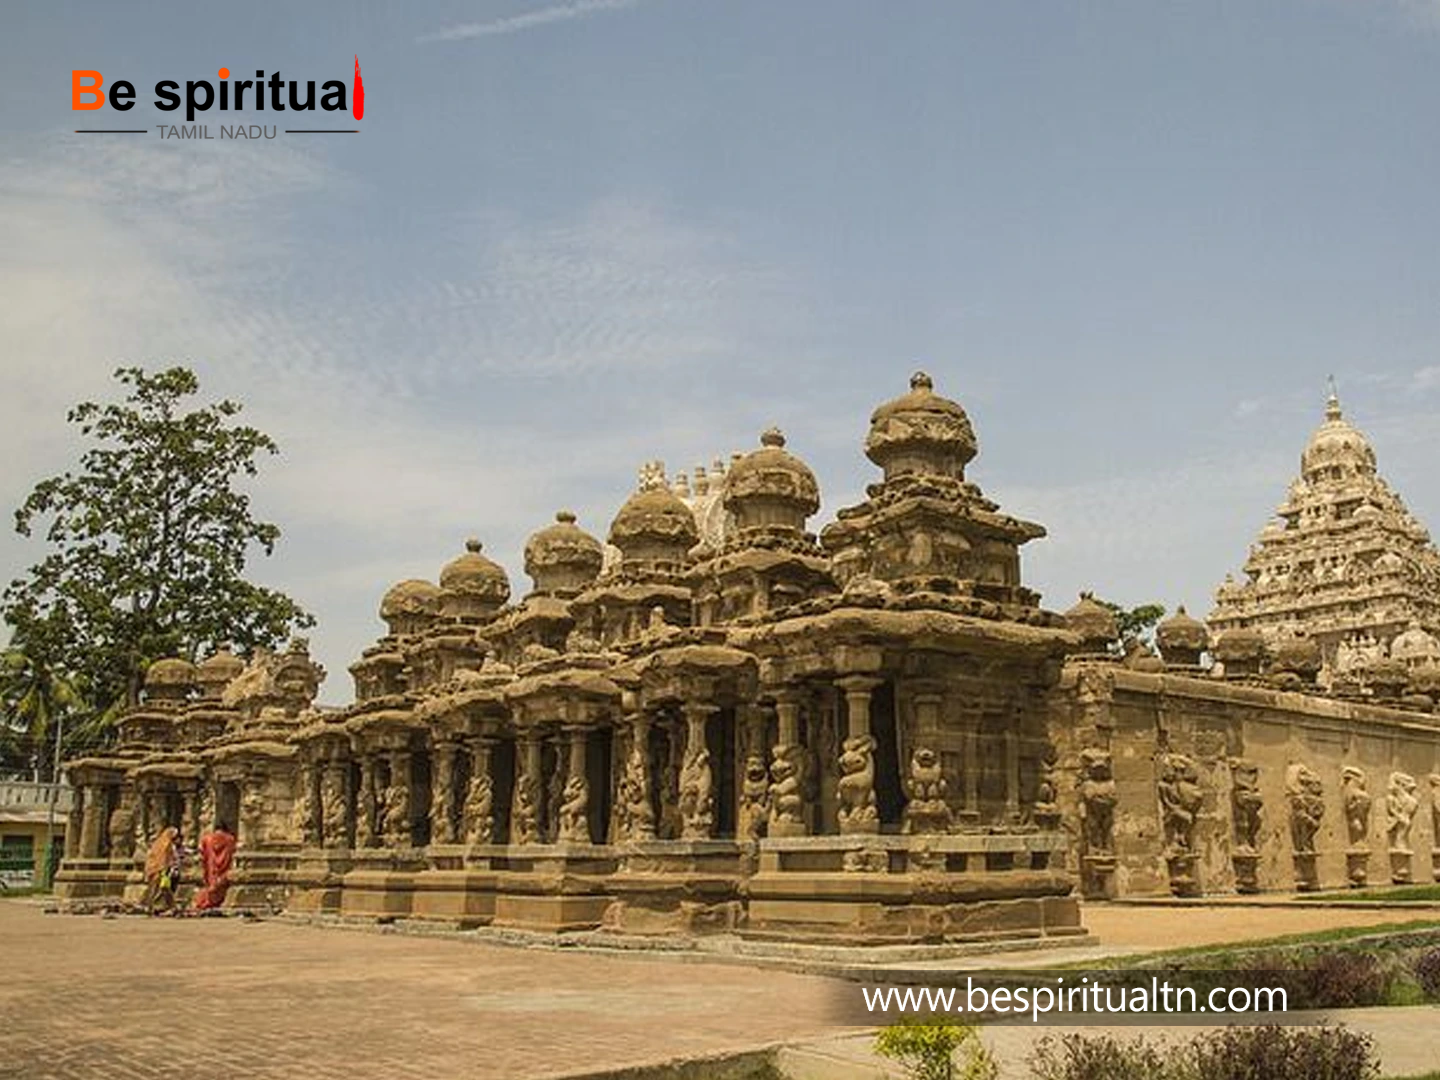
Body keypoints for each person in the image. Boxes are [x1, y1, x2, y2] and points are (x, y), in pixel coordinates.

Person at [193, 820, 237, 913]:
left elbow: (202, 852)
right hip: (225, 865)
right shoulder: (230, 839)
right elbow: (233, 851)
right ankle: (217, 902)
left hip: (211, 865)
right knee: (221, 884)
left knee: (210, 884)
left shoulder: (207, 839)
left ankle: (207, 902)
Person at [141, 826, 182, 915]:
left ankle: (155, 907)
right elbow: (163, 858)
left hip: (156, 869)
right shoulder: (166, 844)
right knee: (160, 889)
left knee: (160, 889)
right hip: (161, 869)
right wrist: (164, 868)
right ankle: (168, 907)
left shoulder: (159, 843)